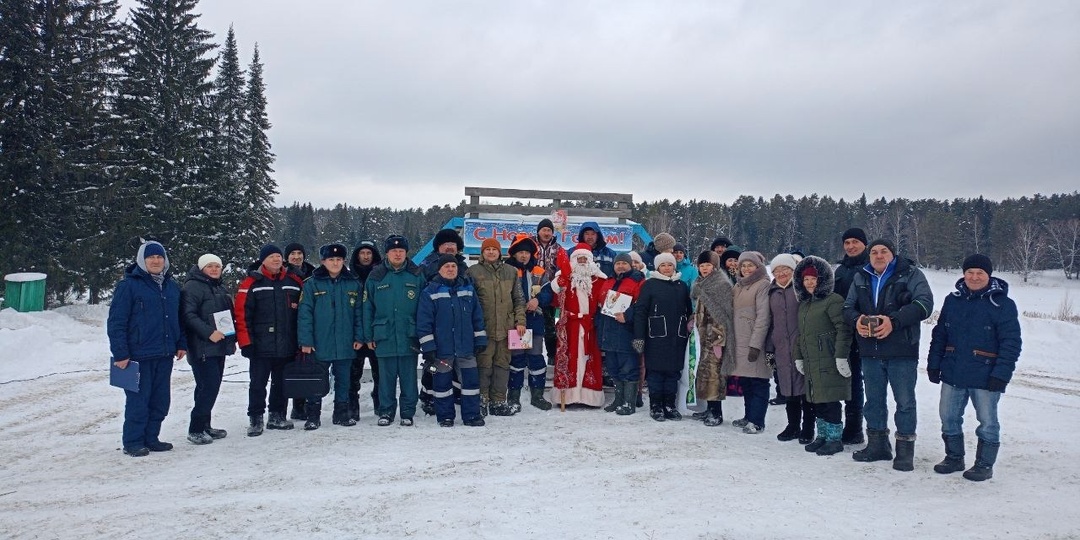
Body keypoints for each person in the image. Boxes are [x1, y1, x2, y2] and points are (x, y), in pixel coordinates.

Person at [927, 254, 1021, 481]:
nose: (974, 277)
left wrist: (1001, 374)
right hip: (953, 371)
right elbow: (940, 334)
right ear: (963, 274)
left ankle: (984, 464)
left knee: (987, 422)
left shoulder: (1002, 304)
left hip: (986, 374)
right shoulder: (953, 300)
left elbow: (1011, 343)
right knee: (948, 417)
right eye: (970, 272)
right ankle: (954, 457)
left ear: (989, 276)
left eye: (980, 273)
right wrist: (933, 364)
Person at [843, 239, 933, 471]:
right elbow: (848, 307)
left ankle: (904, 449)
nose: (879, 256)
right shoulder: (861, 276)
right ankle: (878, 445)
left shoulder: (911, 274)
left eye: (884, 251)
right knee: (873, 401)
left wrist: (894, 321)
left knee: (904, 401)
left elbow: (925, 304)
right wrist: (857, 321)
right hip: (869, 350)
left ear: (893, 255)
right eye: (874, 252)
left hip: (902, 349)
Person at [108, 241, 187, 456]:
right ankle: (133, 441)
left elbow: (178, 318)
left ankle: (151, 437)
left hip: (164, 353)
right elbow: (116, 321)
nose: (155, 261)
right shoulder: (129, 286)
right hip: (138, 355)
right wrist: (121, 353)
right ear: (142, 260)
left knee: (160, 400)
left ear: (165, 260)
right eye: (151, 257)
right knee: (138, 401)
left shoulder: (171, 286)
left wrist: (181, 343)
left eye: (159, 257)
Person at [235, 244, 304, 436]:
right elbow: (241, 315)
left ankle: (277, 415)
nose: (276, 260)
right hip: (260, 345)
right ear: (263, 260)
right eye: (271, 256)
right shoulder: (251, 282)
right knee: (258, 384)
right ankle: (256, 418)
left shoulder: (293, 281)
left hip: (286, 343)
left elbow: (303, 312)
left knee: (281, 383)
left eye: (278, 256)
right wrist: (245, 342)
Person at [297, 243, 363, 430]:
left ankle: (341, 414)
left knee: (344, 380)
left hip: (345, 342)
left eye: (339, 259)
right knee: (316, 379)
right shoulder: (311, 284)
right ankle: (313, 415)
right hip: (320, 343)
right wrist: (306, 341)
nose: (335, 263)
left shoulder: (353, 283)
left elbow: (359, 313)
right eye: (331, 260)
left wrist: (359, 337)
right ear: (323, 261)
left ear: (344, 261)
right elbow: (305, 314)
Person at [792, 256, 854, 456]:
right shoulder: (804, 304)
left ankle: (835, 439)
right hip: (812, 361)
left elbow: (843, 329)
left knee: (831, 400)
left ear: (823, 279)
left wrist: (841, 356)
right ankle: (823, 436)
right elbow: (801, 335)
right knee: (817, 400)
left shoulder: (833, 300)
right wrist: (799, 356)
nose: (810, 283)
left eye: (813, 278)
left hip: (829, 360)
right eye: (806, 279)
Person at [417, 255, 488, 427]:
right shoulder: (430, 292)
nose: (450, 269)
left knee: (470, 383)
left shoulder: (468, 289)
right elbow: (424, 322)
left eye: (453, 266)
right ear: (439, 270)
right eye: (446, 266)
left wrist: (480, 339)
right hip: (442, 349)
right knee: (442, 385)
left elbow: (477, 317)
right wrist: (428, 346)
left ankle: (472, 415)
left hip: (466, 348)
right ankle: (445, 416)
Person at [363, 235, 426, 426]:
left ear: (406, 253)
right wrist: (367, 335)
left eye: (401, 251)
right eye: (393, 251)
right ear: (387, 253)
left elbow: (425, 307)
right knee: (385, 379)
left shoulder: (416, 274)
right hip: (384, 335)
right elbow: (367, 307)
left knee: (408, 378)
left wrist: (423, 333)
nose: (397, 254)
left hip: (409, 334)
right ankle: (386, 412)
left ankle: (407, 413)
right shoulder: (376, 276)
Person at [180, 253, 236, 445]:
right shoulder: (193, 286)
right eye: (209, 266)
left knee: (209, 387)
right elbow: (188, 315)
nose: (214, 269)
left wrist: (230, 338)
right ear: (201, 268)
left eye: (217, 266)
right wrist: (209, 332)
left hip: (218, 346)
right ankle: (195, 429)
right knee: (208, 387)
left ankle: (205, 425)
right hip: (202, 346)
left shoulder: (218, 286)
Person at [468, 238, 527, 416]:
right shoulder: (472, 272)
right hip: (483, 329)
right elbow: (469, 302)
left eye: (495, 249)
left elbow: (519, 299)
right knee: (484, 366)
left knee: (502, 366)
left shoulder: (511, 272)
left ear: (500, 252)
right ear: (482, 252)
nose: (491, 252)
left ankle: (499, 401)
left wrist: (521, 321)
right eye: (488, 249)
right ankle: (482, 400)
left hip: (506, 329)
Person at [633, 252, 692, 421]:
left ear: (674, 267)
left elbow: (688, 311)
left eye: (670, 265)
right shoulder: (649, 285)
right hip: (655, 337)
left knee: (673, 373)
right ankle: (656, 405)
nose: (667, 268)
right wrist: (639, 337)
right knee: (656, 373)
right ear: (657, 267)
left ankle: (669, 405)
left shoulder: (681, 285)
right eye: (663, 265)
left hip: (677, 337)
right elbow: (640, 312)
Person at [550, 243, 608, 407]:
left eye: (585, 258)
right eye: (579, 258)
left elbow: (605, 301)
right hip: (570, 326)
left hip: (590, 326)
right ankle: (568, 396)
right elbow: (557, 297)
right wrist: (563, 277)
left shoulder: (599, 280)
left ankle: (588, 396)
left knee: (589, 358)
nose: (582, 261)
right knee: (568, 359)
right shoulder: (565, 278)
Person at [418, 228, 469, 414]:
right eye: (445, 244)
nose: (449, 247)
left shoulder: (463, 267)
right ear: (438, 247)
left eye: (453, 244)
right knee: (433, 365)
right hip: (436, 324)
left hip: (458, 325)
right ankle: (428, 396)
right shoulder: (427, 266)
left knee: (455, 365)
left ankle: (453, 393)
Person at [767, 253, 814, 444]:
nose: (781, 273)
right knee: (788, 389)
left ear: (793, 271)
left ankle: (808, 428)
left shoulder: (802, 290)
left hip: (801, 346)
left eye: (785, 269)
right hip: (781, 348)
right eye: (777, 270)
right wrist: (769, 348)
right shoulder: (771, 293)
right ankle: (792, 425)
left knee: (806, 390)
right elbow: (769, 323)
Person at [506, 234, 555, 412]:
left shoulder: (539, 271)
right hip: (516, 322)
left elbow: (549, 293)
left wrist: (538, 300)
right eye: (520, 252)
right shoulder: (507, 271)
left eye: (527, 252)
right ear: (514, 254)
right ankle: (514, 396)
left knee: (535, 357)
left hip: (535, 320)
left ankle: (537, 395)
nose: (524, 256)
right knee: (517, 358)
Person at [596, 252, 645, 415]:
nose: (621, 266)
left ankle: (629, 402)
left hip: (626, 331)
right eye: (618, 263)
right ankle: (618, 399)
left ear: (630, 265)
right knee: (613, 367)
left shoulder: (638, 281)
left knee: (629, 367)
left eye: (624, 263)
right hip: (608, 330)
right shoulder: (608, 281)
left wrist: (627, 315)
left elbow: (641, 305)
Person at [689, 251, 734, 427]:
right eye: (701, 266)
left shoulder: (721, 284)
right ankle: (709, 408)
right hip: (702, 336)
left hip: (714, 337)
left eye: (708, 265)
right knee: (705, 374)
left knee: (715, 375)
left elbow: (724, 314)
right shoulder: (701, 283)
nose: (704, 268)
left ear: (714, 266)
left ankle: (717, 412)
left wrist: (718, 339)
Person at [833, 227, 869, 445]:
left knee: (858, 382)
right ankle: (850, 426)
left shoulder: (870, 267)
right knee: (848, 379)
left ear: (864, 243)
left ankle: (856, 428)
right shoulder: (841, 269)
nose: (851, 246)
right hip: (844, 331)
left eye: (855, 241)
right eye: (847, 242)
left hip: (864, 331)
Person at [730, 251, 772, 434]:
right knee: (746, 381)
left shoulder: (763, 285)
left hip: (755, 343)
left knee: (759, 381)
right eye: (743, 266)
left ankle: (757, 421)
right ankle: (749, 416)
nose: (746, 269)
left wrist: (756, 344)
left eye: (750, 265)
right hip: (739, 341)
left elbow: (763, 316)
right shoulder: (738, 286)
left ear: (758, 267)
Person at [347, 240, 382, 422]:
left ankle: (380, 404)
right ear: (357, 256)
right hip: (355, 335)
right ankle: (352, 407)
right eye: (362, 253)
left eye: (369, 253)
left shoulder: (381, 275)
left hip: (377, 334)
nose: (366, 256)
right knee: (353, 375)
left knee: (380, 374)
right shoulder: (349, 277)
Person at [535, 218, 569, 366]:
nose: (547, 233)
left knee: (551, 326)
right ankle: (531, 355)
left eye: (549, 230)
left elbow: (564, 269)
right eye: (544, 230)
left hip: (551, 292)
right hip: (532, 290)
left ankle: (552, 355)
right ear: (538, 231)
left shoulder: (559, 249)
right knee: (531, 324)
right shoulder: (531, 245)